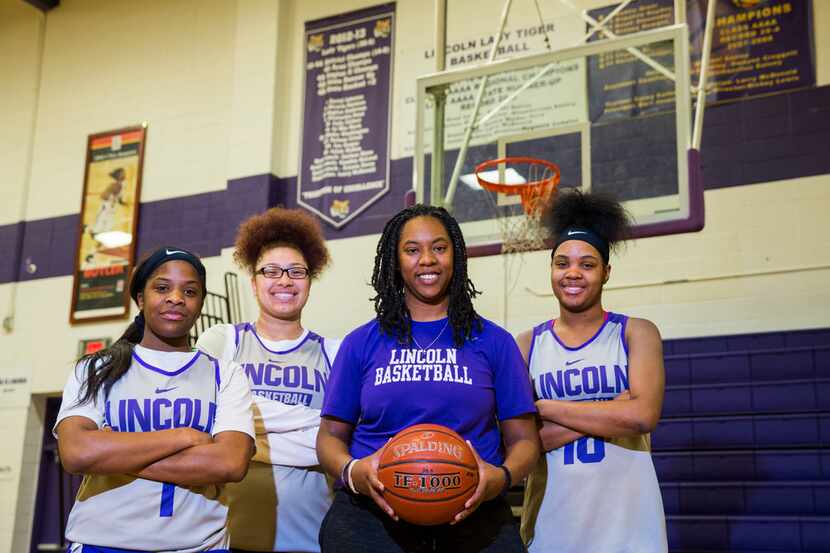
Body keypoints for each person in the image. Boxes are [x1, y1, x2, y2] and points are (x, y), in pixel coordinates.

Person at [316, 204, 539, 553]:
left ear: (456, 255)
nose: (427, 260)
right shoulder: (361, 343)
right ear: (396, 260)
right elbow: (330, 437)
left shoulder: (494, 342)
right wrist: (355, 472)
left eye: (439, 247)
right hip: (372, 518)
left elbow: (525, 440)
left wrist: (502, 478)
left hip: (474, 511)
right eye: (412, 250)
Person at [55, 246, 255, 553]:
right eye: (162, 288)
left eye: (189, 291)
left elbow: (230, 463)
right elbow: (77, 453)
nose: (176, 297)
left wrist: (115, 451)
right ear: (140, 298)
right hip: (104, 543)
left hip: (200, 546)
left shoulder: (225, 374)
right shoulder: (96, 368)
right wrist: (184, 436)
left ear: (200, 303)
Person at [517, 190, 667, 552]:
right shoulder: (525, 345)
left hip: (632, 529)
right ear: (551, 269)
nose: (573, 273)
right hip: (553, 529)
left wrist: (546, 409)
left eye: (587, 264)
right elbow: (520, 443)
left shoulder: (636, 332)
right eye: (562, 262)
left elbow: (642, 417)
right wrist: (611, 408)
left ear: (606, 272)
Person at [197, 207, 338, 553]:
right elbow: (201, 429)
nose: (285, 281)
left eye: (296, 271)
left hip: (311, 541)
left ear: (310, 279)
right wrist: (315, 434)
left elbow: (343, 440)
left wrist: (240, 432)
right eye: (271, 271)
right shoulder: (221, 341)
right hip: (223, 540)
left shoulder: (336, 353)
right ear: (253, 281)